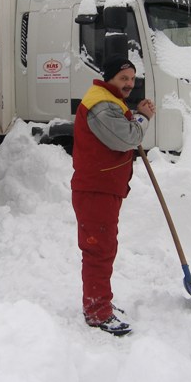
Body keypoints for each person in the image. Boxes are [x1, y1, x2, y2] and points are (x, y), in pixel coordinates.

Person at [72, 55, 155, 335]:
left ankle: (100, 302)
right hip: (96, 190)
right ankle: (97, 311)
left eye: (132, 79)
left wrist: (134, 114)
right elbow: (126, 138)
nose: (129, 84)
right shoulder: (101, 104)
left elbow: (123, 130)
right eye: (123, 79)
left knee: (104, 247)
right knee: (98, 250)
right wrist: (142, 118)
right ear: (109, 79)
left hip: (103, 189)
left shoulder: (109, 101)